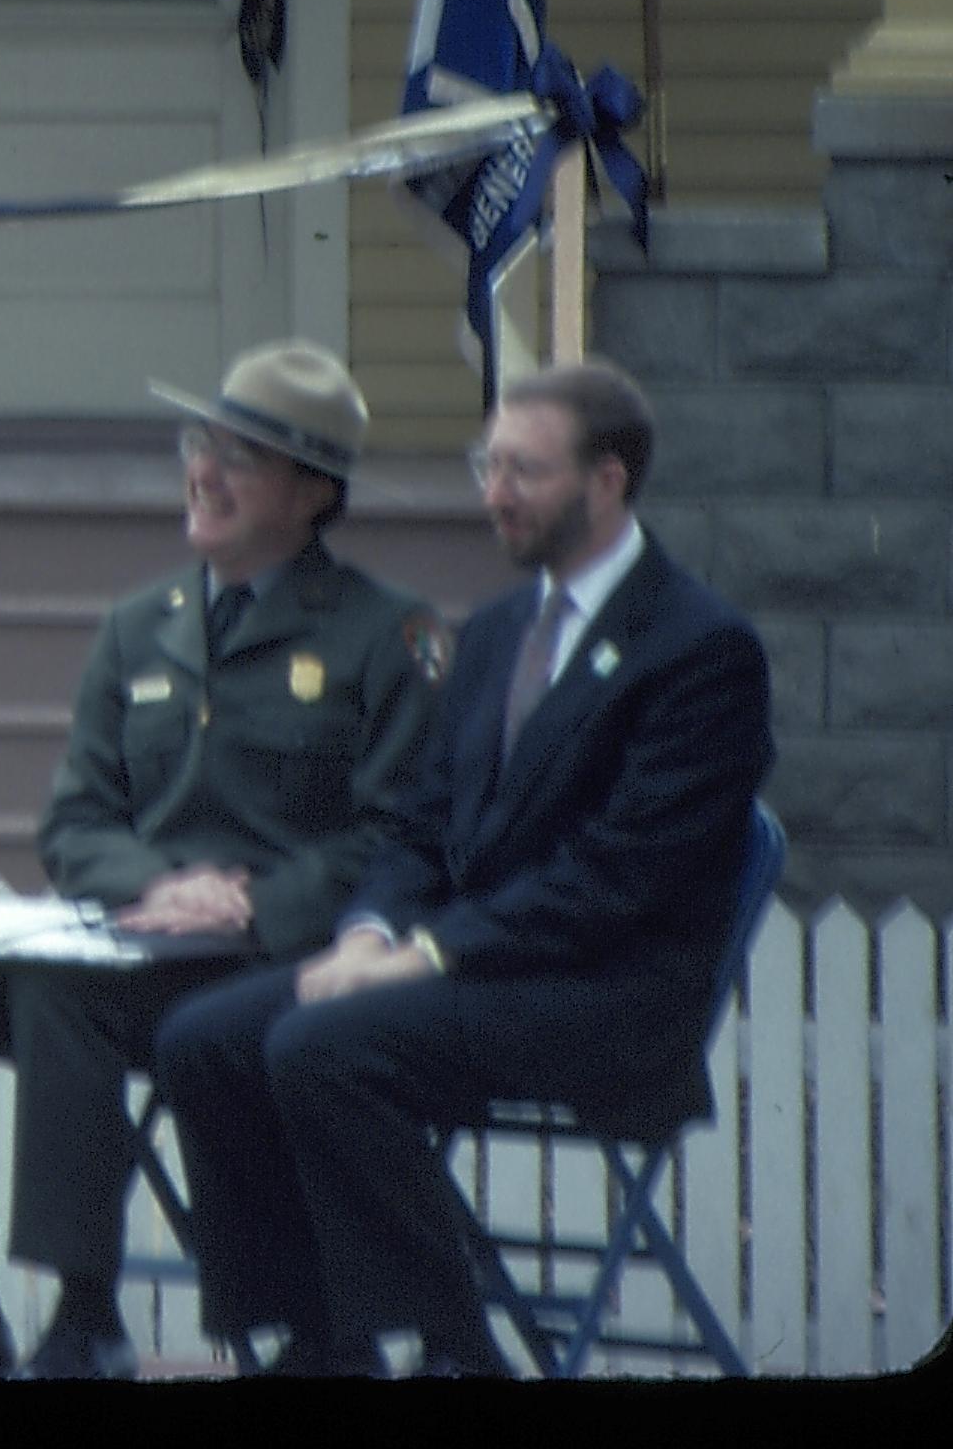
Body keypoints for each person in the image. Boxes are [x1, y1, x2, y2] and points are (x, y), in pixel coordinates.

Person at [152, 358, 774, 1377]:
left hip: (603, 992)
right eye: (487, 465)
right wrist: (367, 932)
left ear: (607, 481)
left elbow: (617, 879)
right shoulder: (491, 636)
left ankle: (455, 1348)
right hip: (478, 974)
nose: (492, 492)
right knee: (206, 1039)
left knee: (325, 1046)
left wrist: (420, 957)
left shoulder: (700, 650)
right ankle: (320, 1341)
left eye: (522, 471)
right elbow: (422, 826)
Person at [0, 340, 445, 1379]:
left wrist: (250, 908)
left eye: (239, 457)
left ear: (312, 491)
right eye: (201, 444)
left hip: (276, 958)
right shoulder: (139, 627)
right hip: (144, 939)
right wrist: (158, 884)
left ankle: (83, 1315)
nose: (204, 472)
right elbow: (75, 823)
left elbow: (399, 837)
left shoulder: (387, 634)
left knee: (64, 996)